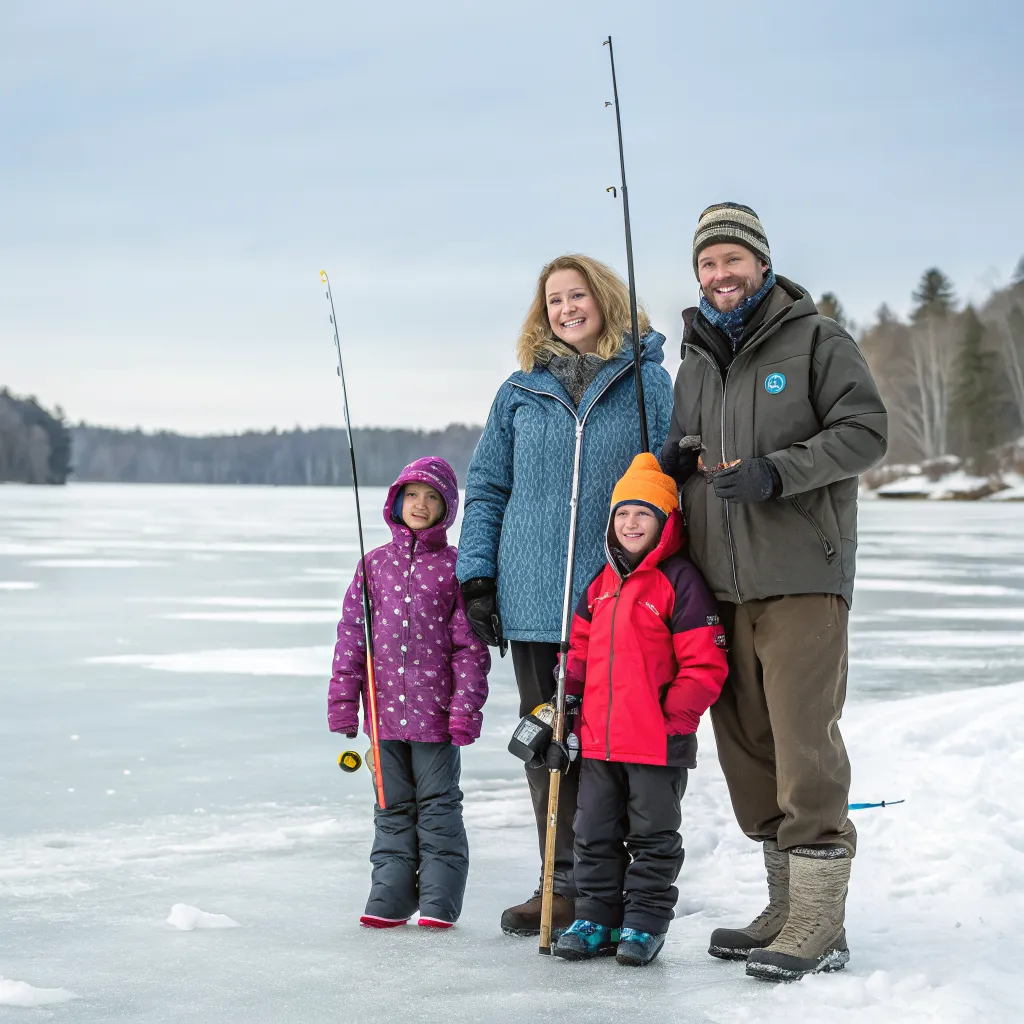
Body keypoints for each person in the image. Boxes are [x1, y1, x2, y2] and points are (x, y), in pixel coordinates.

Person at [661, 203, 887, 980]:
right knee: (749, 751)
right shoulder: (694, 364)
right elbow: (692, 457)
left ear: (760, 262)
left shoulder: (817, 339)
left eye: (732, 261)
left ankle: (822, 923)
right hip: (721, 585)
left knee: (803, 743)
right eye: (706, 266)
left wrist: (776, 472)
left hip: (801, 577)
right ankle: (786, 906)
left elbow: (865, 432)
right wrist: (675, 467)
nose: (720, 277)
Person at [456, 254, 673, 936]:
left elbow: (669, 486)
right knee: (547, 740)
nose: (565, 308)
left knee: (612, 750)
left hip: (617, 604)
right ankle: (561, 883)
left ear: (604, 300)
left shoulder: (647, 383)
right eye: (553, 300)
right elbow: (488, 485)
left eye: (577, 295)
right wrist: (478, 575)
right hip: (532, 601)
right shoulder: (521, 390)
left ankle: (612, 890)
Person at [546, 453, 728, 967]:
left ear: (665, 523)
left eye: (643, 514)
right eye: (623, 514)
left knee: (652, 837)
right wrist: (569, 695)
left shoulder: (680, 582)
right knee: (593, 833)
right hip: (600, 742)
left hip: (655, 743)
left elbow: (705, 664)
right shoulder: (600, 584)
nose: (631, 524)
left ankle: (644, 924)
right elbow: (579, 651)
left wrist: (676, 720)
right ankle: (596, 917)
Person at [328, 456, 490, 929]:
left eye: (432, 497)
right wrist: (343, 703)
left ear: (447, 508)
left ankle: (439, 901)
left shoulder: (456, 568)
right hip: (383, 717)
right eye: (413, 495)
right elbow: (351, 638)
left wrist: (465, 709)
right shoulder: (373, 565)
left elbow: (469, 648)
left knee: (439, 809)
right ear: (396, 501)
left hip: (436, 716)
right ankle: (391, 895)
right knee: (390, 809)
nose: (420, 505)